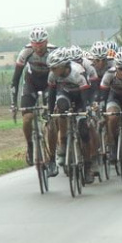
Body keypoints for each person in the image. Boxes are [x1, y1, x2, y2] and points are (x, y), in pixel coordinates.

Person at [46, 48, 95, 182]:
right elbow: (51, 96)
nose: (52, 71)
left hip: (81, 97)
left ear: (63, 65)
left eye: (54, 68)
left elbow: (86, 97)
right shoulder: (53, 75)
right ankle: (64, 141)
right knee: (60, 106)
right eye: (51, 68)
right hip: (65, 94)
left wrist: (86, 112)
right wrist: (50, 114)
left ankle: (87, 167)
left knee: (84, 131)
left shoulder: (77, 72)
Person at [10, 27, 57, 165]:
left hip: (49, 84)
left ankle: (52, 158)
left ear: (46, 41)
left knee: (51, 121)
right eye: (35, 43)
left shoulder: (53, 52)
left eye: (41, 43)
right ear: (31, 43)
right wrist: (13, 103)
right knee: (27, 118)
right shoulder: (25, 52)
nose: (38, 46)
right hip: (31, 84)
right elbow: (15, 79)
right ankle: (30, 146)